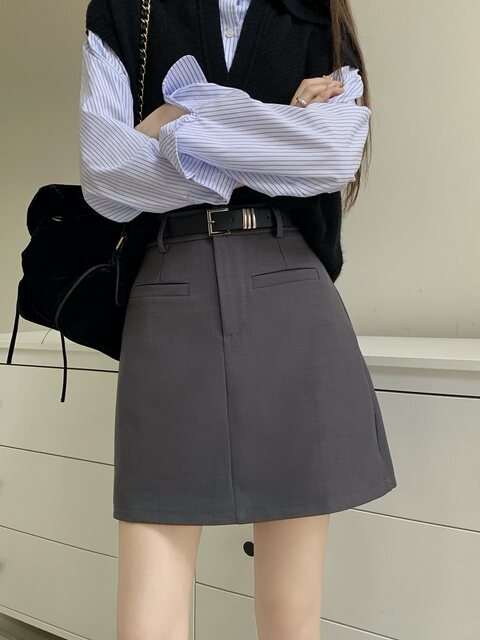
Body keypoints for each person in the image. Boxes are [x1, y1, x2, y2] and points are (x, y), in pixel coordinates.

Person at [80, 0, 397, 638]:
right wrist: (281, 129)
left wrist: (173, 123)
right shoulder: (124, 9)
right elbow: (106, 175)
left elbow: (334, 154)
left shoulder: (316, 15)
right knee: (146, 619)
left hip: (293, 290)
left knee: (291, 616)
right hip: (169, 287)